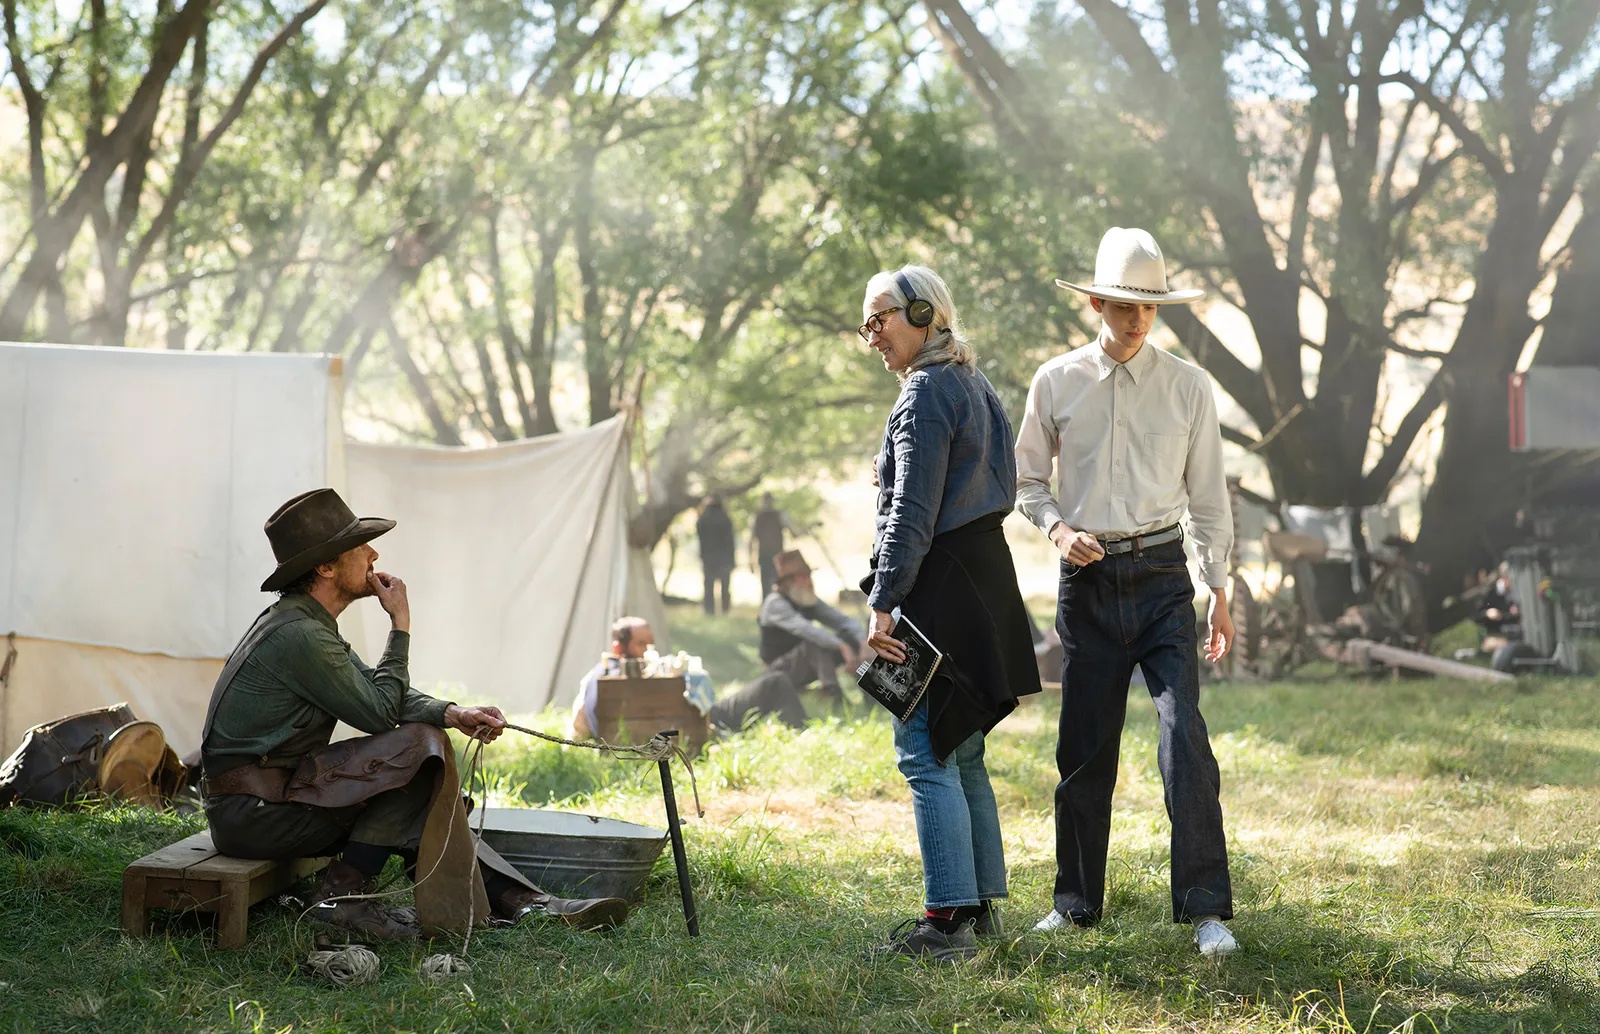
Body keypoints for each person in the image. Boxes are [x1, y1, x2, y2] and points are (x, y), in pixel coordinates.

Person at [201, 488, 629, 940]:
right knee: (419, 758)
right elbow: (382, 712)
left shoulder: (301, 624)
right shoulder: (301, 636)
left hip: (268, 803)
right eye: (358, 546)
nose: (373, 552)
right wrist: (400, 623)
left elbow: (375, 689)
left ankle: (520, 904)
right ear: (325, 567)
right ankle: (347, 900)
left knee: (424, 765)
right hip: (256, 817)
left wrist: (452, 712)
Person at [1014, 227, 1238, 957]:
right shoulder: (1055, 381)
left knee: (1185, 742)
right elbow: (1025, 483)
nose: (1138, 318)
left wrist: (1219, 589)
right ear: (1097, 302)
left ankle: (1207, 912)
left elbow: (1208, 500)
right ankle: (1075, 904)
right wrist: (1056, 531)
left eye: (1151, 305)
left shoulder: (1188, 386)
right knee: (1083, 748)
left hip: (1165, 578)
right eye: (1124, 304)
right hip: (1087, 582)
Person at [857, 264, 1042, 963]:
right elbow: (965, 480)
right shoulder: (971, 381)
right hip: (983, 576)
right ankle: (980, 908)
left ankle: (946, 925)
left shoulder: (925, 392)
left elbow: (913, 515)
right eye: (866, 325)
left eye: (880, 320)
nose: (872, 337)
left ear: (925, 312)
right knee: (962, 750)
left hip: (940, 583)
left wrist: (884, 601)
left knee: (925, 751)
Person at [568, 616, 807, 737]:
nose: (648, 650)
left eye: (650, 644)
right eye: (641, 644)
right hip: (698, 723)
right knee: (776, 682)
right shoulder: (613, 680)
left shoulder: (599, 677)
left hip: (690, 720)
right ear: (619, 648)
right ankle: (804, 734)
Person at [758, 550, 868, 703]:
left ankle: (871, 694)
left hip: (805, 663)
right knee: (815, 643)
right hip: (779, 671)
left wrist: (862, 642)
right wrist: (842, 647)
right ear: (788, 582)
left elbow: (843, 621)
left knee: (850, 637)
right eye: (803, 577)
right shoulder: (775, 603)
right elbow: (808, 631)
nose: (809, 581)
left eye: (809, 576)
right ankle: (833, 696)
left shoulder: (807, 600)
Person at [750, 492, 796, 598]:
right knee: (775, 583)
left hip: (768, 554)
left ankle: (768, 606)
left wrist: (751, 560)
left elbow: (751, 540)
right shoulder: (779, 515)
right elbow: (794, 532)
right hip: (775, 554)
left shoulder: (757, 517)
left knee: (767, 583)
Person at [696, 495, 736, 615]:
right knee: (725, 587)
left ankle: (709, 610)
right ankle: (725, 610)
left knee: (709, 587)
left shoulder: (703, 519)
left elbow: (700, 537)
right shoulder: (725, 518)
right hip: (724, 558)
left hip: (708, 558)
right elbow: (730, 541)